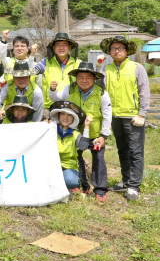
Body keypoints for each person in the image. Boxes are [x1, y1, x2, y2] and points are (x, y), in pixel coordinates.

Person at [49, 61, 112, 202]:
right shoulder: (69, 89)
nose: (84, 80)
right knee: (77, 157)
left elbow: (107, 116)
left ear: (94, 79)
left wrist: (103, 136)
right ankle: (83, 185)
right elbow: (56, 99)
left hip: (95, 133)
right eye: (81, 77)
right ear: (76, 78)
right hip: (75, 132)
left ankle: (100, 190)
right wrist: (52, 90)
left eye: (88, 77)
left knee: (98, 159)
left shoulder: (102, 93)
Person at [97, 35, 150, 201]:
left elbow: (144, 91)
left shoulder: (137, 68)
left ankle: (134, 186)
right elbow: (99, 86)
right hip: (114, 116)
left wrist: (142, 114)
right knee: (123, 150)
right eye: (114, 48)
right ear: (110, 51)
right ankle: (126, 180)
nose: (117, 51)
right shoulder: (107, 68)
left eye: (120, 48)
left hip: (133, 116)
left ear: (127, 51)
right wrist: (98, 67)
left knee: (135, 151)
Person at [49, 101, 93, 198]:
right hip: (50, 165)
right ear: (58, 116)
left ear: (73, 119)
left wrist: (87, 126)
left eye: (69, 115)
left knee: (71, 182)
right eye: (63, 114)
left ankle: (66, 189)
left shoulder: (75, 134)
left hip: (68, 166)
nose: (65, 117)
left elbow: (83, 146)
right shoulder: (50, 130)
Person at [33, 33, 81, 117]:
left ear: (70, 47)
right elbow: (32, 72)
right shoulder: (45, 62)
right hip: (49, 108)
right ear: (53, 48)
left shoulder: (78, 63)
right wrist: (31, 55)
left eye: (64, 45)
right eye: (58, 45)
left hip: (72, 107)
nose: (61, 48)